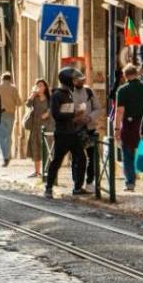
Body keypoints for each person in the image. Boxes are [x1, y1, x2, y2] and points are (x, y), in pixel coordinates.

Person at [44, 68, 87, 198]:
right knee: (57, 160)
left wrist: (77, 117)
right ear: (67, 80)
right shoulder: (57, 95)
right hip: (62, 133)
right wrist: (74, 114)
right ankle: (48, 188)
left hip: (72, 132)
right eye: (73, 79)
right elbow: (56, 114)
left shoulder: (69, 93)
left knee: (81, 158)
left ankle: (78, 187)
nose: (75, 82)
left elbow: (67, 114)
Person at [114, 65, 143, 191]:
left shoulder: (122, 90)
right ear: (137, 73)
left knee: (128, 154)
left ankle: (130, 183)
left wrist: (117, 129)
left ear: (125, 76)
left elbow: (119, 111)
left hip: (129, 125)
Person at [71, 70, 105, 193]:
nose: (80, 81)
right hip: (75, 130)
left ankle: (90, 181)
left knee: (93, 157)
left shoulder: (89, 91)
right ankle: (77, 184)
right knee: (77, 158)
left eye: (82, 79)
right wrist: (75, 118)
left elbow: (98, 109)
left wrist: (89, 117)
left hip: (90, 128)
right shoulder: (68, 93)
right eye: (77, 79)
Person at [0, 73, 23, 167]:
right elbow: (19, 103)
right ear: (10, 79)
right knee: (8, 136)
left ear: (2, 79)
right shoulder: (14, 88)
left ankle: (5, 157)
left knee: (1, 136)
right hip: (10, 114)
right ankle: (8, 155)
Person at [22, 79, 51, 178]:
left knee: (46, 149)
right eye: (37, 85)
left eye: (41, 85)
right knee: (35, 149)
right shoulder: (34, 98)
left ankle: (47, 170)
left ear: (45, 87)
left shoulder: (49, 98)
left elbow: (53, 109)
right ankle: (37, 172)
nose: (39, 87)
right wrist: (32, 94)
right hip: (35, 127)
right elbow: (27, 104)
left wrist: (48, 113)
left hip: (46, 128)